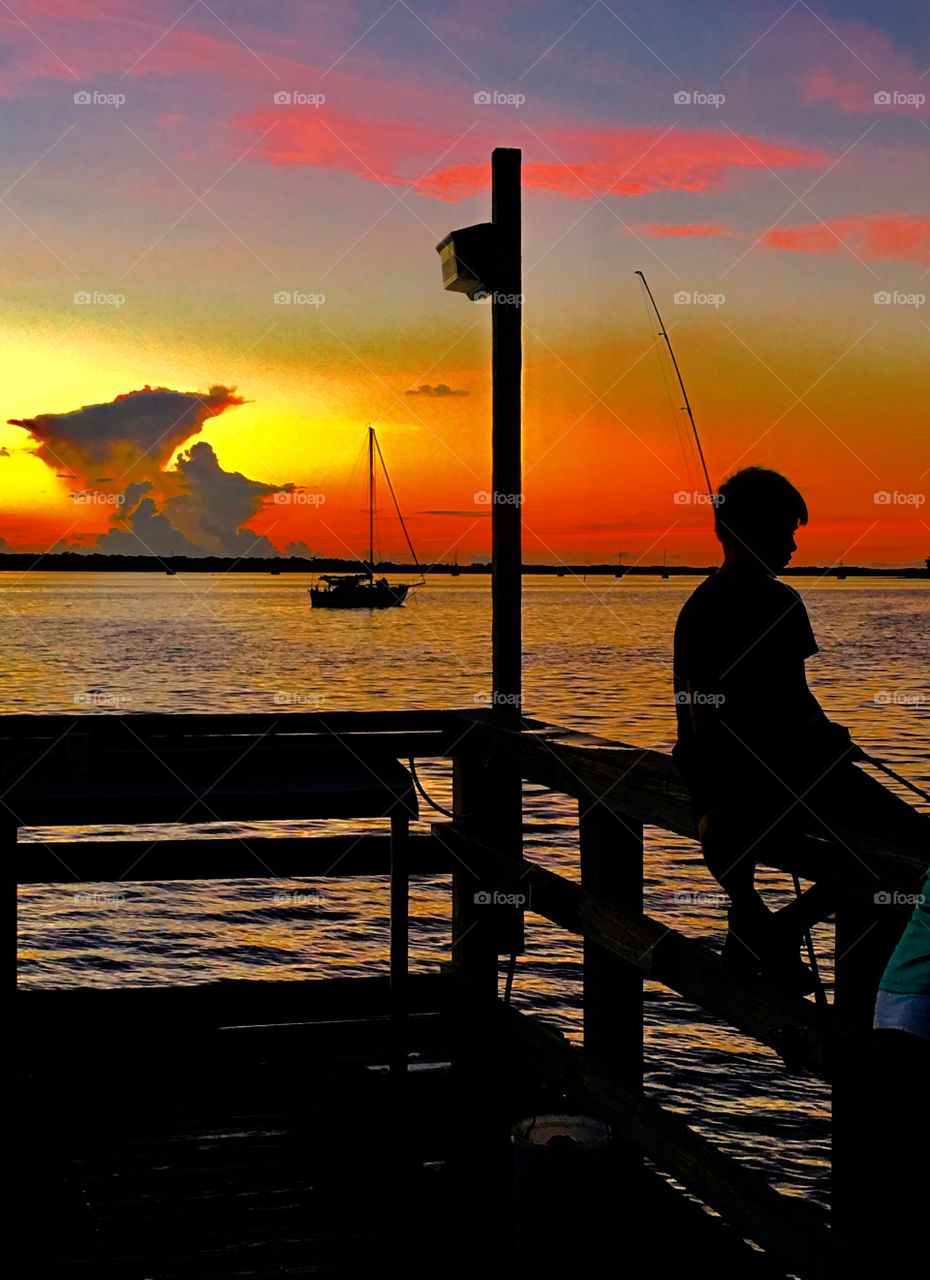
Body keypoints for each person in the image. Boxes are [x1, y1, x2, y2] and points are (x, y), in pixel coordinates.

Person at [672, 466, 927, 991]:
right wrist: (800, 742)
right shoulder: (705, 610)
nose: (791, 543)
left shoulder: (785, 603)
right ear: (744, 530)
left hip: (803, 766)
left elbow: (796, 693)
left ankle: (774, 929)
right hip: (738, 773)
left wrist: (828, 734)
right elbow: (707, 719)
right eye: (784, 529)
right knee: (875, 850)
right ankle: (776, 933)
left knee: (917, 842)